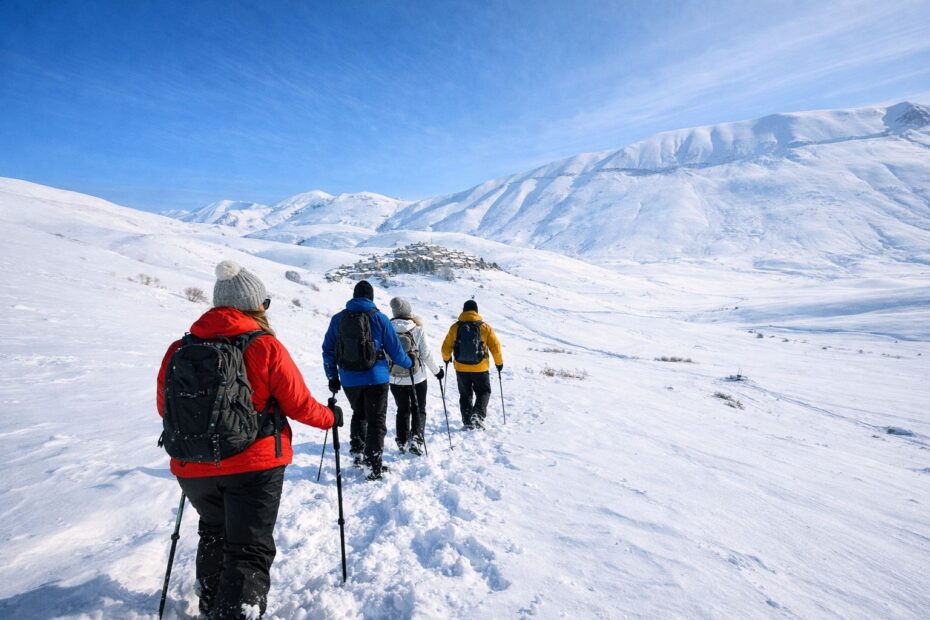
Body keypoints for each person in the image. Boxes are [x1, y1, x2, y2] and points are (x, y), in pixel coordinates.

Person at [157, 260, 339, 619]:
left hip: (193, 467)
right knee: (248, 549)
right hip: (254, 466)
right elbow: (299, 404)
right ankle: (237, 612)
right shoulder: (264, 346)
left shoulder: (180, 347)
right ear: (256, 305)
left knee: (213, 530)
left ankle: (211, 604)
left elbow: (165, 406)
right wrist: (331, 418)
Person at [322, 280, 412, 480]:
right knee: (376, 420)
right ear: (371, 297)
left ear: (354, 296)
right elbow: (396, 351)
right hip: (376, 378)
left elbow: (328, 349)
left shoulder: (338, 319)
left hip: (348, 379)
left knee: (359, 413)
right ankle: (373, 465)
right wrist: (408, 363)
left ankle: (357, 453)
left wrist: (332, 376)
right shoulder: (379, 318)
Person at [387, 297, 443, 455]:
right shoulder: (417, 329)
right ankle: (417, 439)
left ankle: (402, 441)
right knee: (419, 408)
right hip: (417, 377)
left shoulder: (388, 329)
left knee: (402, 409)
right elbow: (425, 354)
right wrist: (437, 371)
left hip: (395, 378)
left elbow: (385, 355)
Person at [441, 300, 504, 430]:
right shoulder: (484, 327)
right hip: (480, 367)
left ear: (464, 310)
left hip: (461, 367)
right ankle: (478, 415)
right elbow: (495, 347)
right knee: (483, 391)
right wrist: (499, 363)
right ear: (476, 311)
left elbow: (446, 346)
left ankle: (467, 419)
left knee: (465, 394)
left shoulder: (455, 327)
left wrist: (446, 359)